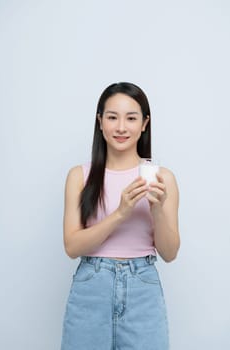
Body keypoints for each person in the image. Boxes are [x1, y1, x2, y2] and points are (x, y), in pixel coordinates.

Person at [60, 82, 180, 350]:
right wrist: (121, 213)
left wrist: (157, 210)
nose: (121, 127)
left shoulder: (163, 178)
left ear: (144, 123)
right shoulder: (80, 176)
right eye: (112, 117)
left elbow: (170, 253)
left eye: (131, 118)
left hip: (143, 288)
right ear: (100, 122)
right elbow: (72, 246)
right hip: (91, 287)